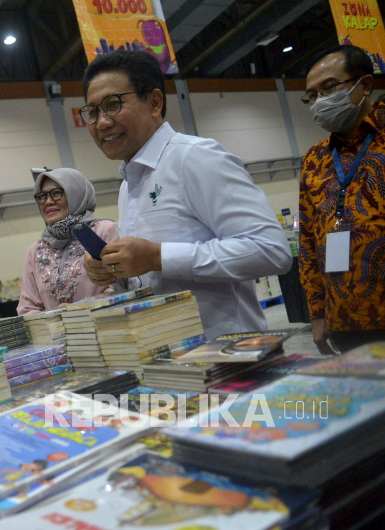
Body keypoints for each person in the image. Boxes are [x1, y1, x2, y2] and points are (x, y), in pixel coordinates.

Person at [79, 51, 292, 339]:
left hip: (230, 357)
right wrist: (115, 270)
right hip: (173, 360)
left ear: (155, 102)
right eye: (92, 112)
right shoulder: (128, 185)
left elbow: (271, 250)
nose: (101, 122)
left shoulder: (196, 157)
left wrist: (158, 256)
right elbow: (151, 278)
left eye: (113, 105)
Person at [298, 45, 385, 354]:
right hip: (345, 325)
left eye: (329, 87)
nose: (319, 101)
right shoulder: (314, 159)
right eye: (312, 95)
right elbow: (306, 241)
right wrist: (317, 314)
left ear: (365, 85)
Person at [17, 168, 121, 314]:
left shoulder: (105, 231)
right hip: (57, 335)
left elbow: (121, 288)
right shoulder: (34, 251)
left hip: (106, 329)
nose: (47, 202)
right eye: (42, 196)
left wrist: (79, 310)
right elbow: (27, 308)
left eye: (56, 193)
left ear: (76, 194)